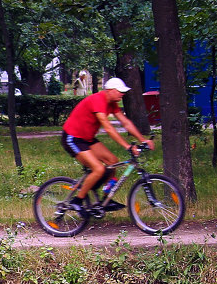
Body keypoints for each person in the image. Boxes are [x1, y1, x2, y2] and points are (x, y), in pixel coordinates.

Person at [59, 77, 151, 217]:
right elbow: (108, 127)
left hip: (87, 139)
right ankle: (76, 201)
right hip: (73, 138)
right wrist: (127, 146)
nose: (122, 94)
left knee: (112, 161)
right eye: (119, 91)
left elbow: (125, 123)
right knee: (99, 169)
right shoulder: (98, 100)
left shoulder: (112, 103)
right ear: (109, 91)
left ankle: (105, 199)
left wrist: (142, 140)